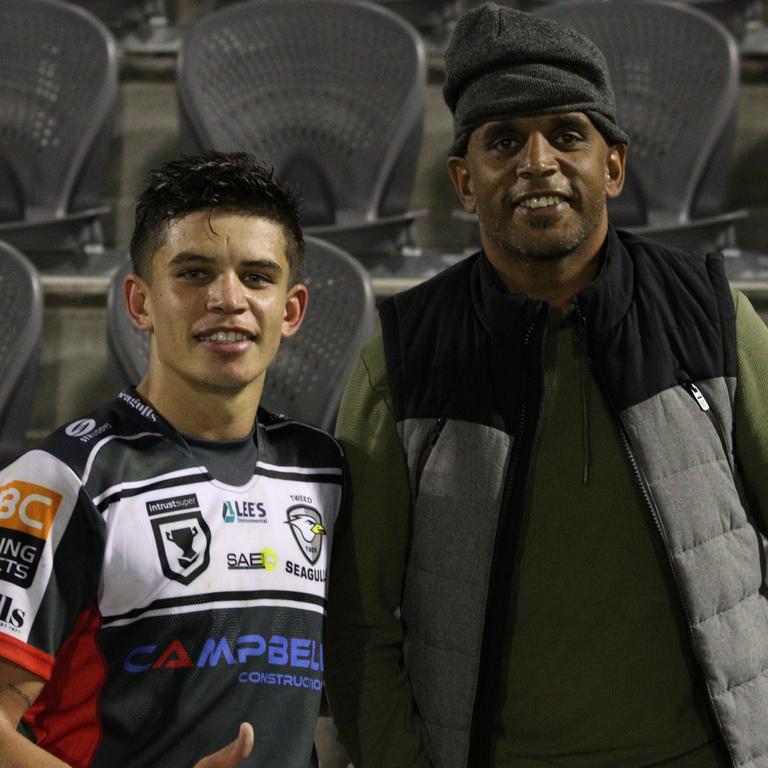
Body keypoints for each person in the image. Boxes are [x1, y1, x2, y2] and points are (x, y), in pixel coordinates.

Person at [325, 4, 768, 768]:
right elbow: (359, 622)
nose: (537, 163)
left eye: (566, 135)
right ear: (465, 180)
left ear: (613, 165)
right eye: (503, 143)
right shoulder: (400, 359)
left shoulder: (712, 317)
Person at [0, 152, 345, 767]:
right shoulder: (61, 480)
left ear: (290, 311)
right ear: (140, 303)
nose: (228, 299)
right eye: (193, 273)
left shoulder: (323, 472)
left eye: (258, 277)